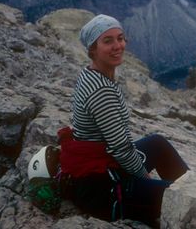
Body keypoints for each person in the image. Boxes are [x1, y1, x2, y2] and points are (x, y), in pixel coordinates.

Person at [58, 14, 188, 227]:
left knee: (157, 143)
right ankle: (184, 198)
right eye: (107, 41)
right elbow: (121, 149)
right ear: (93, 49)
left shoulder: (91, 74)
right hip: (101, 190)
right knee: (179, 200)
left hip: (101, 167)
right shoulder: (101, 91)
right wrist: (145, 179)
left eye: (120, 38)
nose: (118, 45)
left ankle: (185, 187)